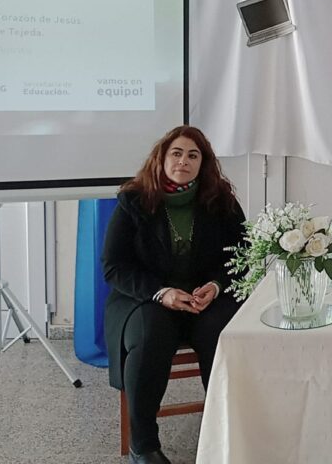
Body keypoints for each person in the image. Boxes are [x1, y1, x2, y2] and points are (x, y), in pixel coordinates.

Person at [102, 126, 246, 464]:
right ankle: (143, 445)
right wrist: (161, 292)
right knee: (151, 333)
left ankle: (225, 431)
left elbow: (243, 256)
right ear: (162, 159)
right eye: (177, 153)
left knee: (222, 331)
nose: (184, 161)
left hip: (204, 299)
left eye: (193, 155)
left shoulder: (222, 201)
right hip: (146, 297)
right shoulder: (133, 200)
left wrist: (216, 286)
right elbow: (114, 266)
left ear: (203, 164)